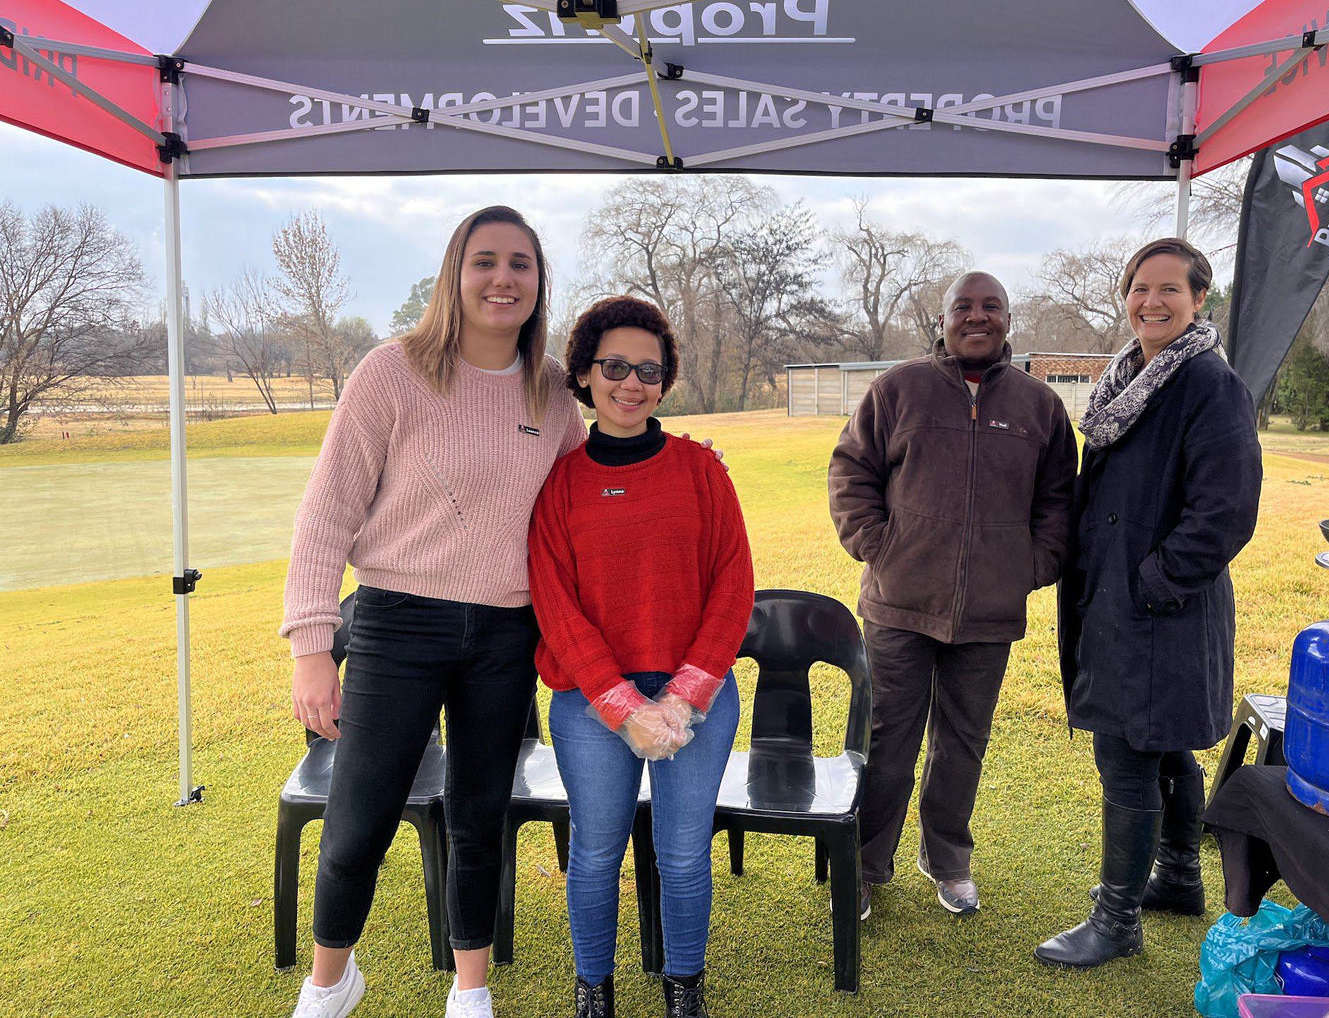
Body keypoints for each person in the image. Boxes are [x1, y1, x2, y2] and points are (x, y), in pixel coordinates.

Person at [279, 208, 725, 1018]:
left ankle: (470, 989)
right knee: (358, 824)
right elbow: (326, 513)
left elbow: (591, 490)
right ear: (455, 273)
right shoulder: (391, 372)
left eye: (520, 263)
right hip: (397, 622)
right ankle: (329, 982)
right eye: (484, 261)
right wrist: (312, 643)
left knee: (480, 816)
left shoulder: (552, 389)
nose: (502, 277)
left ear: (537, 283)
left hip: (504, 633)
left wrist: (689, 470)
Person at [1035, 237, 1262, 969]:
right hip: (1116, 599)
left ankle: (1117, 920)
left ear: (1199, 300)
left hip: (1162, 607)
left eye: (1169, 289)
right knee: (1161, 746)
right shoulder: (1129, 378)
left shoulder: (1206, 382)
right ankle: (1179, 878)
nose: (1151, 301)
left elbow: (1224, 510)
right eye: (1139, 287)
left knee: (1127, 755)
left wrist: (1153, 582)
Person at [528, 295, 754, 1018]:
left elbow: (732, 583)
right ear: (586, 376)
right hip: (590, 704)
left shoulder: (699, 469)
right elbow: (556, 608)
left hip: (699, 697)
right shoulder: (560, 483)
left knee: (684, 852)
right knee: (596, 852)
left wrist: (685, 695)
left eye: (648, 370)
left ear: (665, 381)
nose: (632, 384)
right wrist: (621, 706)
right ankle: (594, 986)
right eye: (615, 367)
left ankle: (683, 984)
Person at [828, 272, 1076, 920]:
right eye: (961, 307)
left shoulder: (1037, 406)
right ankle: (863, 862)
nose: (975, 316)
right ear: (940, 320)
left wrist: (1031, 565)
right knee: (887, 741)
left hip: (988, 612)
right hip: (898, 604)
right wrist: (877, 546)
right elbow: (851, 469)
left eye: (989, 306)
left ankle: (947, 860)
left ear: (1007, 319)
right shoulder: (898, 389)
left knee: (962, 743)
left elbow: (1058, 501)